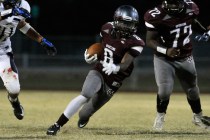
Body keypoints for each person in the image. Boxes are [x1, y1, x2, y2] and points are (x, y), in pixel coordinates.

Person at [46, 5, 145, 136]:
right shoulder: (106, 28)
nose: (129, 27)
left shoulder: (136, 42)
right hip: (100, 70)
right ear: (117, 21)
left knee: (85, 112)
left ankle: (85, 117)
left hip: (115, 80)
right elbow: (101, 46)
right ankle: (57, 124)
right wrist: (92, 56)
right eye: (126, 23)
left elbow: (126, 64)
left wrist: (115, 68)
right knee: (85, 94)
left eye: (131, 24)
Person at [144, 0, 210, 131]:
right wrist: (166, 50)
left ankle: (198, 117)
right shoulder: (155, 15)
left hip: (185, 56)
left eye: (176, 3)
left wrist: (205, 31)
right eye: (170, 3)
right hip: (164, 58)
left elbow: (194, 20)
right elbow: (149, 41)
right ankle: (160, 117)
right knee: (164, 90)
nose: (173, 6)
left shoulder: (191, 8)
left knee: (192, 90)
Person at [0, 0, 57, 120]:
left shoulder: (23, 5)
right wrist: (9, 12)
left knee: (14, 89)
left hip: (2, 50)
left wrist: (41, 40)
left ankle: (14, 101)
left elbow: (21, 24)